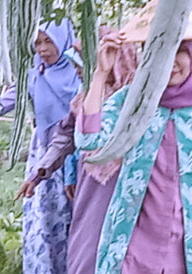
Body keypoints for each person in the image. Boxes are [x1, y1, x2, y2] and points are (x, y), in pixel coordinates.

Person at [75, 0, 192, 274]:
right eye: (160, 52)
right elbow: (88, 141)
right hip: (130, 249)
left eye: (180, 51)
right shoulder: (132, 101)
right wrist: (101, 74)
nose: (172, 62)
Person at [15, 26, 139, 274]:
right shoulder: (85, 99)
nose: (79, 71)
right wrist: (40, 172)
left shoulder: (142, 100)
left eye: (85, 63)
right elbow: (65, 136)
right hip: (92, 190)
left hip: (131, 188)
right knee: (87, 252)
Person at [0, 18, 81, 274]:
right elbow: (18, 91)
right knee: (42, 217)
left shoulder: (78, 70)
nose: (42, 49)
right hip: (42, 152)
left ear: (63, 39)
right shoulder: (36, 69)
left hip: (73, 156)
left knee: (70, 216)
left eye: (49, 41)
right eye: (38, 43)